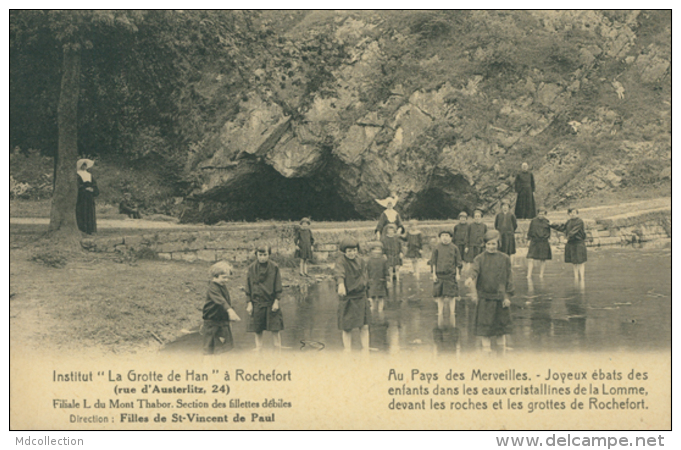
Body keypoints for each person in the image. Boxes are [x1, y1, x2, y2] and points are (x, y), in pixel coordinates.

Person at [466, 230, 514, 355]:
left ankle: (501, 353)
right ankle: (486, 351)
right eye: (488, 244)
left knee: (501, 328)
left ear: (499, 244)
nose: (491, 247)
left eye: (494, 244)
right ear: (485, 244)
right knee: (485, 328)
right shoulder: (479, 258)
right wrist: (470, 278)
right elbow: (474, 270)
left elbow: (509, 278)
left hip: (500, 298)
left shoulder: (505, 258)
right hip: (484, 298)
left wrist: (507, 296)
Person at [335, 237, 371, 353]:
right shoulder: (340, 261)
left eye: (354, 250)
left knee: (364, 326)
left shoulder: (361, 261)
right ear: (344, 251)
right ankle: (347, 349)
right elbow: (339, 273)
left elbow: (365, 278)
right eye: (349, 251)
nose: (352, 253)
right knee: (347, 327)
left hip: (360, 295)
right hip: (348, 297)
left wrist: (368, 295)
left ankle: (365, 349)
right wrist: (341, 285)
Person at [245, 245, 284, 351]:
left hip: (271, 302)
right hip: (257, 302)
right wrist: (249, 303)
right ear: (256, 255)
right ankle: (259, 347)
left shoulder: (274, 267)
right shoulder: (251, 268)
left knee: (275, 328)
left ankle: (277, 347)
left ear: (269, 255)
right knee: (257, 328)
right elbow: (248, 286)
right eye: (260, 255)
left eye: (265, 255)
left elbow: (278, 285)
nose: (262, 257)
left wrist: (277, 301)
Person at [202, 261, 241, 355]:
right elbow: (220, 301)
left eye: (227, 277)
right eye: (224, 277)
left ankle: (219, 367)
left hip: (221, 322)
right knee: (210, 350)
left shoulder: (222, 286)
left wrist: (228, 316)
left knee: (222, 349)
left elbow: (226, 300)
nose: (226, 280)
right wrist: (230, 310)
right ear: (215, 275)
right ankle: (208, 368)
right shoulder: (213, 288)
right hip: (212, 323)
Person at [430, 230, 462, 326]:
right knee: (440, 295)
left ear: (451, 237)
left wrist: (457, 274)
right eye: (443, 235)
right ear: (440, 237)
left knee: (452, 295)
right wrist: (434, 274)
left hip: (451, 274)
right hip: (440, 274)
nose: (445, 237)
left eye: (447, 235)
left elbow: (458, 262)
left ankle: (452, 312)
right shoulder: (437, 248)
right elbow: (433, 262)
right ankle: (440, 312)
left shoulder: (454, 248)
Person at [550, 209, 587, 285]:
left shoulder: (579, 221)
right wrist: (552, 225)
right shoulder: (569, 222)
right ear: (568, 214)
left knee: (580, 261)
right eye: (570, 213)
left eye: (574, 213)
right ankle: (576, 277)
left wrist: (567, 238)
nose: (572, 214)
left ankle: (582, 278)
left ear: (577, 214)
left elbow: (574, 231)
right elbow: (563, 228)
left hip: (578, 242)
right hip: (571, 243)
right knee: (574, 261)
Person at [526, 208, 552, 279]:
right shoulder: (533, 221)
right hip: (534, 241)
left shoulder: (547, 221)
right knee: (530, 258)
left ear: (545, 214)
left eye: (543, 214)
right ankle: (529, 274)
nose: (541, 215)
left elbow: (548, 232)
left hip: (543, 241)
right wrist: (528, 240)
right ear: (537, 214)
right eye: (540, 214)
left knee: (543, 259)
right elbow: (530, 231)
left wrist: (548, 239)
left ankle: (541, 274)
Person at [76, 159, 99, 234]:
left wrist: (92, 189)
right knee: (82, 210)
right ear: (80, 166)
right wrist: (84, 189)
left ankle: (90, 229)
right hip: (82, 196)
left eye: (85, 165)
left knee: (90, 211)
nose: (84, 167)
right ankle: (83, 228)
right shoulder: (77, 174)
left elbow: (94, 184)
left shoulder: (89, 175)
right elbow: (77, 185)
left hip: (89, 196)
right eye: (83, 165)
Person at [366, 242, 390, 313]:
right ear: (371, 251)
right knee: (372, 297)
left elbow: (386, 271)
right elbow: (367, 271)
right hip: (372, 280)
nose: (377, 252)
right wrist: (367, 280)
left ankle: (380, 311)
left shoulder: (383, 260)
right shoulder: (369, 260)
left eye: (379, 250)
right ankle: (372, 311)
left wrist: (388, 280)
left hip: (381, 281)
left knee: (381, 297)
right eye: (375, 250)